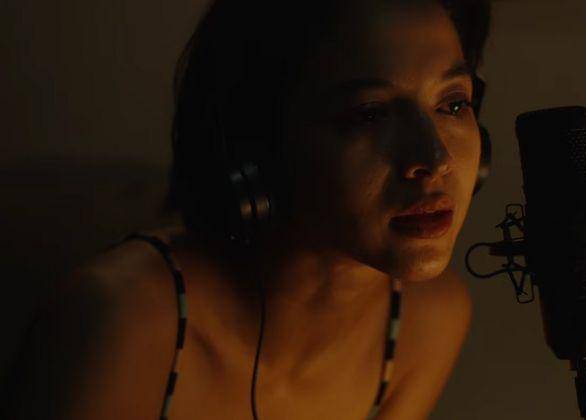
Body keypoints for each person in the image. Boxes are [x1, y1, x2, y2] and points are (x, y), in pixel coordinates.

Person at [5, 0, 492, 419]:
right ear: (259, 143)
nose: (434, 159)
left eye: (453, 104)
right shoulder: (122, 322)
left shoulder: (427, 322)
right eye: (370, 113)